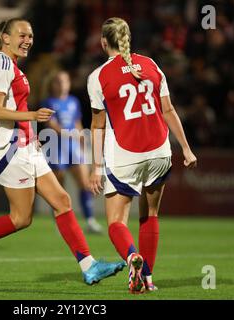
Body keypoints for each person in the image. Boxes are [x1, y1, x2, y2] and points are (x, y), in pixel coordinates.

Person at [0, 18, 125, 285]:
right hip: (12, 148)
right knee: (20, 218)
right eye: (22, 35)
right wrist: (30, 118)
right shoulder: (2, 64)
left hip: (22, 143)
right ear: (5, 37)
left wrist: (25, 132)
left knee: (62, 201)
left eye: (31, 36)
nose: (28, 40)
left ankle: (89, 266)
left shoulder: (4, 65)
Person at [87, 17, 197, 294]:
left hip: (126, 153)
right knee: (150, 216)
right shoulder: (151, 65)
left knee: (115, 222)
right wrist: (185, 147)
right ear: (128, 38)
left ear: (103, 42)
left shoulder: (98, 77)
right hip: (160, 150)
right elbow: (168, 110)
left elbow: (98, 125)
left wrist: (96, 166)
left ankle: (131, 257)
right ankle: (147, 278)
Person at [41, 70, 103, 234]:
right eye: (58, 82)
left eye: (64, 81)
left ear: (69, 84)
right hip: (56, 147)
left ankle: (90, 221)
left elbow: (77, 123)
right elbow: (51, 125)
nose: (62, 85)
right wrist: (71, 134)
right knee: (58, 188)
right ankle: (59, 223)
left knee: (85, 185)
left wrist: (81, 138)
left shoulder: (73, 101)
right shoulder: (48, 102)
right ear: (52, 85)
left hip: (73, 146)